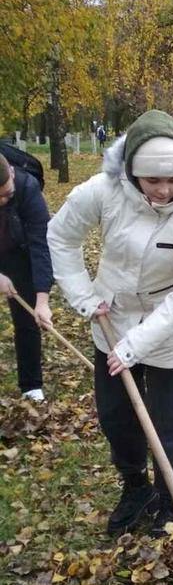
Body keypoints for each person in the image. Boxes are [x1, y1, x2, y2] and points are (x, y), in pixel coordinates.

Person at [47, 110, 173, 537]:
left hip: (171, 328)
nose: (163, 191)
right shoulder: (103, 190)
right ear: (131, 172)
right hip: (113, 319)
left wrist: (136, 345)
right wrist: (84, 296)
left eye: (171, 180)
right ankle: (136, 487)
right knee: (116, 416)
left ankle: (170, 503)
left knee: (170, 422)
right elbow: (61, 237)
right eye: (152, 181)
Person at [0, 153, 53, 401]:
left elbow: (40, 245)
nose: (2, 201)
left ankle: (31, 386)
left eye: (6, 195)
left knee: (27, 319)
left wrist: (41, 300)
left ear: (11, 173)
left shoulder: (27, 187)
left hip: (18, 252)